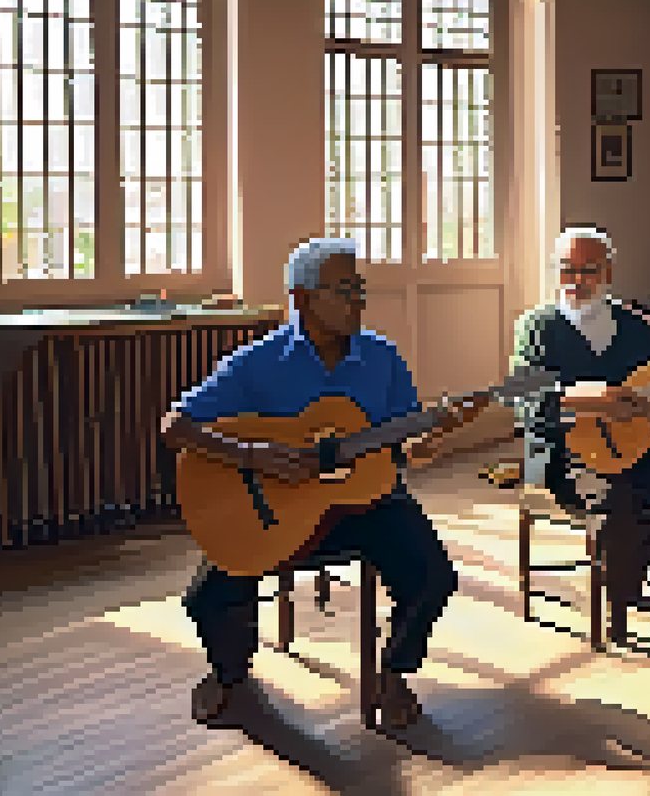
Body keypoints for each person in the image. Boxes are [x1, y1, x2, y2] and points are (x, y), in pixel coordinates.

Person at [160, 237, 460, 729]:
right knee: (207, 599)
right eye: (344, 290)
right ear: (301, 298)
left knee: (434, 579)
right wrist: (257, 454)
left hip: (368, 502)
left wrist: (428, 440)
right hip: (277, 512)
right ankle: (229, 674)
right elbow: (177, 426)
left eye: (360, 289)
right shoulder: (256, 362)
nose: (358, 301)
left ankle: (394, 673)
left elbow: (406, 441)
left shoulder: (382, 357)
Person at [510, 227, 650, 643]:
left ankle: (618, 576)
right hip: (563, 452)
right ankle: (619, 604)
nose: (575, 281)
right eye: (566, 270)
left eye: (587, 271)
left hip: (636, 445)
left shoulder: (638, 329)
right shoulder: (537, 327)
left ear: (608, 272)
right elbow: (522, 399)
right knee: (617, 502)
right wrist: (591, 401)